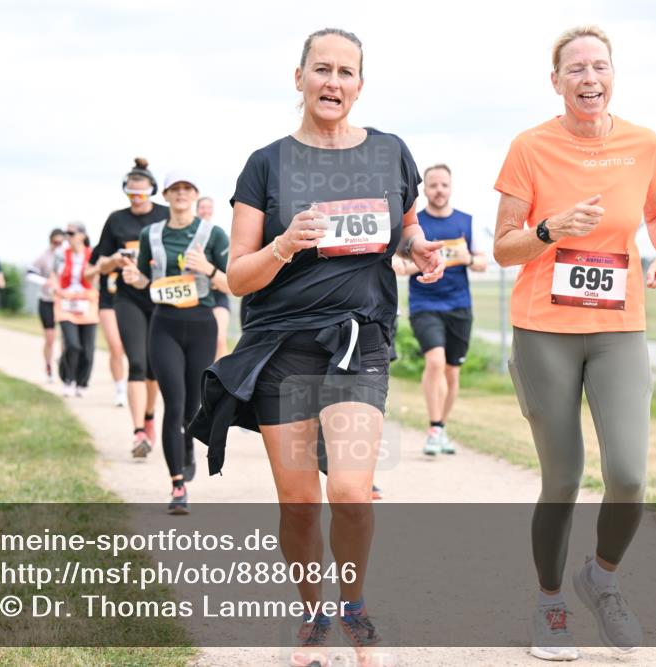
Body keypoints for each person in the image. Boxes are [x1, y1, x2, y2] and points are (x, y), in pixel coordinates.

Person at [188, 28, 444, 667]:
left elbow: (405, 229)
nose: (333, 83)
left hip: (361, 340)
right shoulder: (267, 163)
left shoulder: (390, 153)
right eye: (321, 70)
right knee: (300, 501)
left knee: (352, 492)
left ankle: (354, 606)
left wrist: (420, 250)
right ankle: (311, 612)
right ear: (298, 77)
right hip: (282, 346)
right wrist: (283, 245)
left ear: (361, 83)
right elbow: (238, 275)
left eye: (346, 72)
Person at [493, 25, 656, 661]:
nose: (588, 78)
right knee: (564, 476)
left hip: (618, 326)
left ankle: (600, 578)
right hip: (544, 327)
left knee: (628, 474)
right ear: (556, 82)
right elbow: (502, 246)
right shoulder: (529, 146)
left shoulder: (645, 143)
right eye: (575, 69)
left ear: (612, 75)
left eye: (598, 66)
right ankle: (550, 603)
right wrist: (548, 229)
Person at [123, 172, 230, 514]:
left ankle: (187, 445)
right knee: (174, 403)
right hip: (165, 324)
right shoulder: (150, 234)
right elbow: (144, 279)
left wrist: (210, 270)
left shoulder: (213, 234)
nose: (181, 194)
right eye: (175, 189)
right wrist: (133, 277)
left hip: (201, 324)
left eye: (188, 188)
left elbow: (233, 285)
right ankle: (177, 486)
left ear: (196, 194)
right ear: (166, 195)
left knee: (193, 409)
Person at [395, 164, 487, 456]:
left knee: (452, 371)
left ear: (451, 187)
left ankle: (442, 428)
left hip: (459, 304)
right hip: (425, 303)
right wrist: (414, 264)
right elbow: (400, 264)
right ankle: (434, 427)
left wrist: (467, 258)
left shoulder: (466, 222)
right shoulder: (414, 226)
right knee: (435, 361)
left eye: (444, 185)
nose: (439, 190)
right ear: (425, 189)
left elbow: (482, 263)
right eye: (433, 185)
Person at [92, 158, 168, 458]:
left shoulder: (164, 216)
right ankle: (138, 432)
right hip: (127, 298)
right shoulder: (116, 220)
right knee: (135, 361)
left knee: (154, 368)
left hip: (159, 296)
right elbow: (99, 263)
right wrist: (114, 261)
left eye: (141, 191)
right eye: (131, 192)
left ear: (152, 190)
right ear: (125, 190)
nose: (136, 196)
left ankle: (149, 416)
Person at [51, 222, 99, 397]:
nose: (68, 237)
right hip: (66, 304)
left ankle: (82, 381)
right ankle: (68, 378)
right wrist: (58, 290)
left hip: (87, 304)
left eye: (71, 233)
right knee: (72, 344)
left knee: (87, 348)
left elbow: (98, 279)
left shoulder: (93, 255)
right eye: (66, 234)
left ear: (82, 236)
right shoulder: (60, 255)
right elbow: (53, 275)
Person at [86, 251, 129, 406]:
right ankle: (120, 389)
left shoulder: (139, 239)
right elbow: (87, 275)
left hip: (132, 303)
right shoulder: (101, 249)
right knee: (116, 347)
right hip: (108, 303)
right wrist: (104, 264)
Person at [28, 229, 66, 383]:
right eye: (55, 242)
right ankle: (48, 366)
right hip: (46, 301)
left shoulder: (66, 256)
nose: (57, 245)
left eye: (60, 242)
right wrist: (45, 282)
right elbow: (29, 273)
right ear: (50, 241)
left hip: (63, 302)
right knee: (50, 338)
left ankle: (64, 365)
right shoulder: (44, 257)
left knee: (67, 338)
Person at [197, 196, 232, 361]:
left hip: (217, 295)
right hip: (194, 297)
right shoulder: (188, 235)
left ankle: (221, 381)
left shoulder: (218, 234)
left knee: (218, 340)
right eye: (202, 207)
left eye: (208, 207)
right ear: (197, 210)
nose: (205, 210)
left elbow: (229, 275)